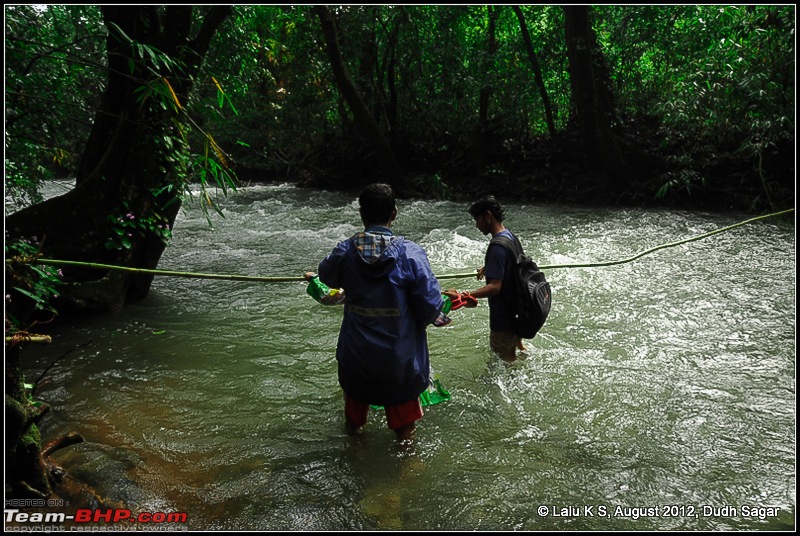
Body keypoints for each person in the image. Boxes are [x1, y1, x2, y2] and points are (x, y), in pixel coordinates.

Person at [310, 183, 445, 441]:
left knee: (353, 425)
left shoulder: (344, 252)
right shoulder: (410, 253)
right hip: (399, 362)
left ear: (361, 214)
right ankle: (405, 475)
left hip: (356, 359)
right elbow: (430, 307)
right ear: (394, 213)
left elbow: (326, 276)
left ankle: (354, 459)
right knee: (405, 432)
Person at [451, 195, 525, 362]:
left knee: (499, 367)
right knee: (514, 359)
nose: (476, 225)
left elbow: (495, 287)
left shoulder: (497, 246)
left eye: (477, 219)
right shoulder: (510, 237)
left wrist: (465, 295)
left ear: (488, 216)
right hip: (517, 313)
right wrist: (489, 268)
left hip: (503, 319)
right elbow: (514, 264)